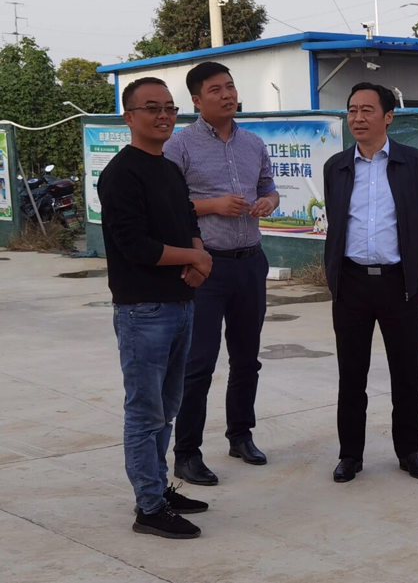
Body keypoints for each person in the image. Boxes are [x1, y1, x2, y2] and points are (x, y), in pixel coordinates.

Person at [99, 77, 213, 538]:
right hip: (143, 311)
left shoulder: (168, 168)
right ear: (129, 117)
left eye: (169, 107)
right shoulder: (121, 174)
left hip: (180, 303)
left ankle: (159, 488)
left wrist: (199, 257)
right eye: (152, 108)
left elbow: (187, 219)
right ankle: (148, 507)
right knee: (145, 412)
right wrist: (195, 259)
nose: (163, 115)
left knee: (167, 407)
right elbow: (135, 245)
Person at [164, 62, 280, 486]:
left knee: (247, 358)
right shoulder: (180, 146)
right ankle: (187, 452)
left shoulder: (253, 143)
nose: (227, 94)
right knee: (198, 363)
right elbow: (167, 205)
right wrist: (212, 205)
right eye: (216, 89)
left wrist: (269, 202)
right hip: (205, 266)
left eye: (230, 87)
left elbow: (269, 187)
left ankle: (240, 435)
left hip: (250, 261)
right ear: (197, 100)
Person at [324, 82, 418, 483]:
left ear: (388, 116)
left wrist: (407, 258)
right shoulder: (337, 167)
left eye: (367, 110)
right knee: (351, 374)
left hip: (398, 283)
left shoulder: (414, 162)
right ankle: (350, 455)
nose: (357, 118)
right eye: (352, 110)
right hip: (351, 283)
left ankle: (410, 451)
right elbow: (337, 222)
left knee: (405, 372)